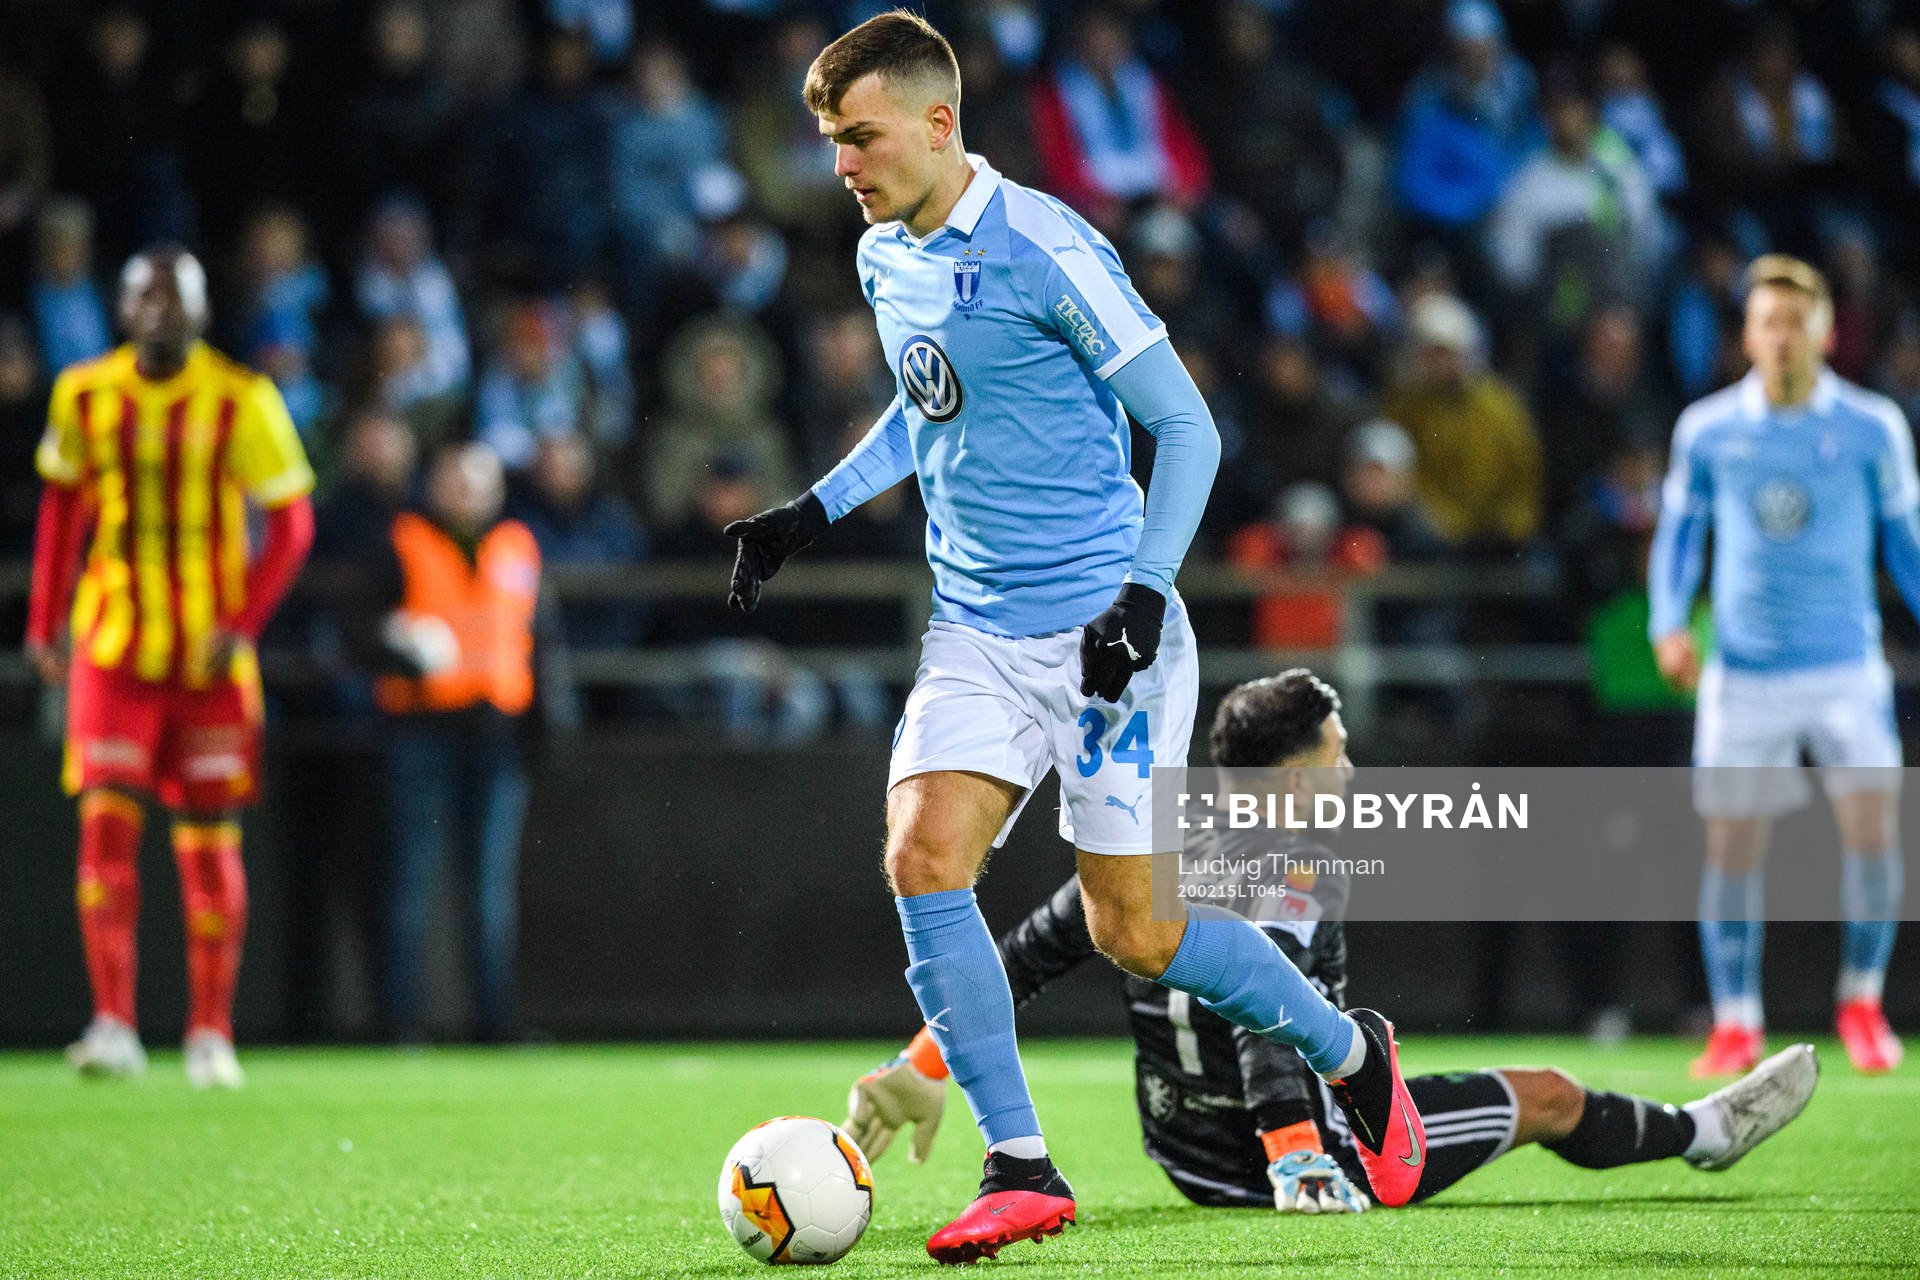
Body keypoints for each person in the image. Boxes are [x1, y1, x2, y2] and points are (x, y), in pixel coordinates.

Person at [725, 13, 1425, 1264]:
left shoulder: (1047, 247)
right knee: (922, 854)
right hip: (977, 629)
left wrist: (1145, 593)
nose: (842, 162)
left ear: (941, 124)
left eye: (862, 136)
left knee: (1135, 934)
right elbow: (925, 400)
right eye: (831, 139)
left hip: (1108, 635)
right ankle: (1022, 1165)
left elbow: (1189, 426)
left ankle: (1348, 1047)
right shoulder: (888, 248)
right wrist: (810, 510)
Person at [846, 671, 1821, 1212]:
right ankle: (1707, 1136)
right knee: (1552, 1095)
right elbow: (1264, 1008)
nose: (1350, 769)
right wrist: (1296, 1147)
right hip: (1288, 1157)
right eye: (1336, 752)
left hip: (1181, 1152)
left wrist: (920, 1058)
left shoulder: (1133, 856)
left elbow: (1016, 958)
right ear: (1286, 777)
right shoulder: (1297, 861)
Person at [24, 247, 317, 1088]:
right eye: (146, 295)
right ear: (122, 309)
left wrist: (242, 621)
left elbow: (291, 524)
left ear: (201, 310)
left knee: (207, 846)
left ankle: (209, 1032)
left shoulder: (241, 399)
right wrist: (45, 623)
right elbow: (63, 507)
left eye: (176, 296)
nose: (161, 310)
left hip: (207, 661)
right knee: (106, 830)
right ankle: (114, 1023)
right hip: (114, 650)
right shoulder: (83, 393)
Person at [1649, 255, 1917, 1077]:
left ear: (1827, 332)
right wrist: (1669, 622)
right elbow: (1679, 537)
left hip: (1843, 668)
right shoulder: (1709, 429)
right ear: (1749, 335)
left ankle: (1862, 1005)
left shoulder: (1874, 428)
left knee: (1873, 831)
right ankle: (1736, 1021)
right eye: (1768, 322)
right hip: (1745, 672)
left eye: (1797, 322)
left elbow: (1907, 546)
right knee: (1732, 845)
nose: (1782, 337)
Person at [363, 442, 549, 1044]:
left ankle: (494, 1022)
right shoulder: (402, 539)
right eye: (455, 481)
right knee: (412, 878)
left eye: (478, 482)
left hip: (496, 732)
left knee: (490, 886)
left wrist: (547, 731)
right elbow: (358, 627)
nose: (466, 493)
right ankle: (400, 1023)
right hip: (423, 727)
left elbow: (539, 640)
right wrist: (395, 645)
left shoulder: (517, 545)